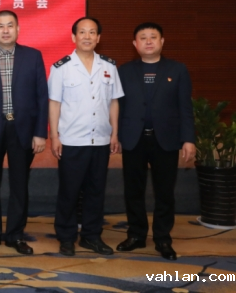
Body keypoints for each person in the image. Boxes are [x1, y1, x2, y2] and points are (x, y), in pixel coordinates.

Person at [0, 10, 48, 255]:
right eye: (0, 26)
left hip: (23, 129)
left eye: (10, 25)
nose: (5, 30)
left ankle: (15, 235)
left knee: (19, 184)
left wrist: (40, 132)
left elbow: (42, 97)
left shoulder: (33, 56)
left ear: (18, 29)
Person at [116, 22, 196, 261]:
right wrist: (115, 135)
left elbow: (185, 107)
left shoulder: (177, 69)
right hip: (133, 139)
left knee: (165, 192)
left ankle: (162, 238)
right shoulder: (124, 71)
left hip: (166, 140)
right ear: (135, 44)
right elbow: (117, 107)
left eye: (153, 37)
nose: (148, 41)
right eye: (143, 37)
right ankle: (136, 235)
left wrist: (188, 139)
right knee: (133, 191)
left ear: (162, 41)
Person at [48, 17, 123, 256]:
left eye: (92, 32)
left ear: (98, 38)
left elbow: (114, 102)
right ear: (74, 37)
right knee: (69, 191)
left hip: (100, 139)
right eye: (82, 32)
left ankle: (91, 236)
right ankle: (66, 236)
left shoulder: (109, 67)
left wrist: (114, 133)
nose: (87, 36)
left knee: (96, 191)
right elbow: (54, 104)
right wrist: (54, 136)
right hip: (72, 140)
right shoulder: (61, 67)